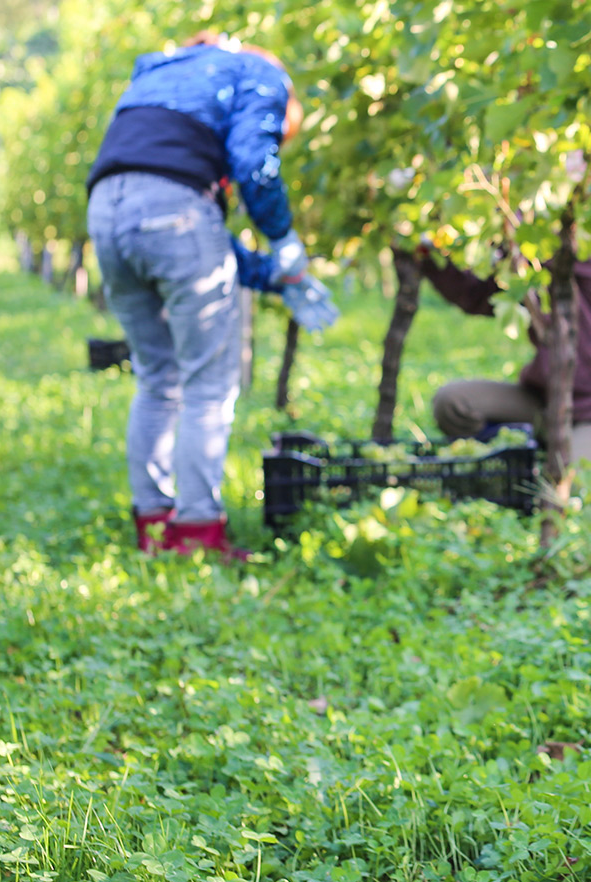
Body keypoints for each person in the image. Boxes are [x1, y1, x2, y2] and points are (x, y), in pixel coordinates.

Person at [85, 33, 338, 558]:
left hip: (106, 211)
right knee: (207, 384)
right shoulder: (262, 75)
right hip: (173, 211)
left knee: (156, 378)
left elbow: (194, 228)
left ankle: (154, 529)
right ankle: (198, 537)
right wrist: (284, 238)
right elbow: (251, 163)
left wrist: (275, 276)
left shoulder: (160, 77)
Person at [424, 254, 591, 481]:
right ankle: (532, 455)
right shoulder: (530, 268)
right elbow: (476, 294)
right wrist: (426, 254)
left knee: (557, 487)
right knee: (453, 403)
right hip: (550, 402)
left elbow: (534, 246)